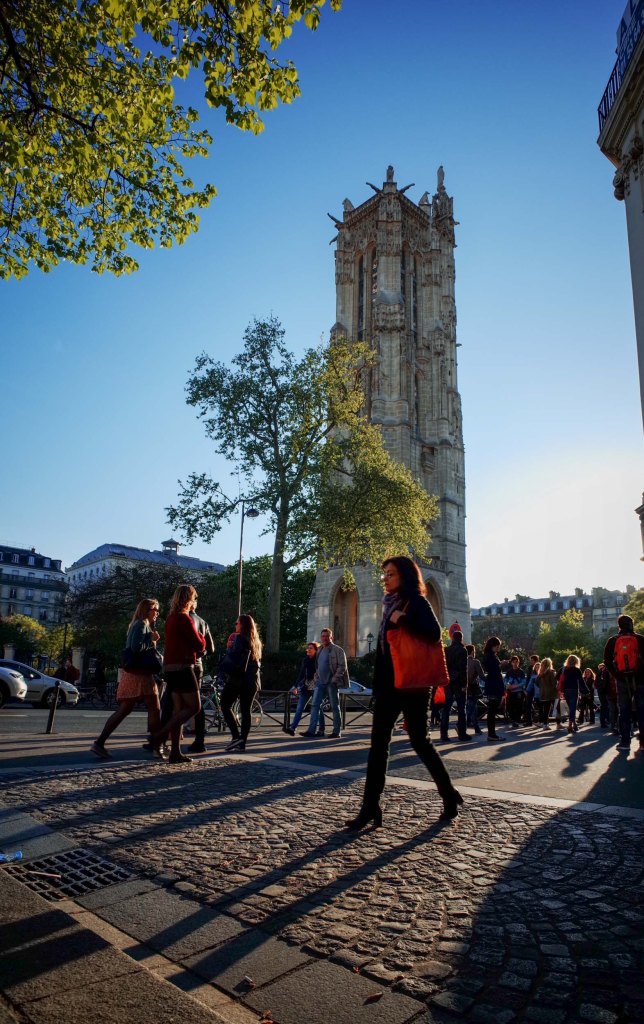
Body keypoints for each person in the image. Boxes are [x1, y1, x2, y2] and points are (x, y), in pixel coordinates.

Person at [345, 557, 462, 830]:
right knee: (378, 746)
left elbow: (434, 635)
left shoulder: (416, 603)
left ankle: (448, 795)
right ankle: (370, 806)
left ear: (405, 577)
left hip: (413, 686)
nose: (385, 579)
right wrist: (376, 686)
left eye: (391, 574)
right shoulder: (388, 607)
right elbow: (385, 654)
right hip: (389, 686)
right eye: (384, 574)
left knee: (420, 742)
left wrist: (404, 619)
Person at [92, 598, 162, 759]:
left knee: (126, 709)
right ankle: (156, 745)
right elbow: (135, 648)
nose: (157, 612)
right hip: (140, 675)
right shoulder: (141, 624)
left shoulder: (139, 624)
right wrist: (151, 640)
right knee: (154, 708)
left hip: (133, 674)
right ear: (146, 610)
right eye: (154, 609)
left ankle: (100, 742)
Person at [153, 584, 206, 764]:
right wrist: (203, 638)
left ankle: (175, 751)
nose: (195, 601)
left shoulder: (170, 618)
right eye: (194, 598)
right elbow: (198, 644)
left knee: (178, 709)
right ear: (188, 599)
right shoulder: (184, 619)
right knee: (194, 707)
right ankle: (161, 734)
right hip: (183, 666)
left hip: (170, 667)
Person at [220, 614, 262, 752]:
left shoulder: (239, 638)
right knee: (246, 711)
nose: (235, 625)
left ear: (242, 625)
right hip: (252, 681)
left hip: (238, 679)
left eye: (236, 623)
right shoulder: (255, 641)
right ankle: (242, 742)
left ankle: (236, 737)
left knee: (225, 705)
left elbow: (234, 658)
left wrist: (229, 648)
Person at [603, 614, 644, 753]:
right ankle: (643, 743)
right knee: (642, 710)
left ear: (619, 625)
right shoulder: (640, 639)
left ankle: (625, 741)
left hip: (622, 681)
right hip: (640, 680)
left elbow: (607, 661)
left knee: (624, 711)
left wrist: (617, 676)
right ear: (632, 624)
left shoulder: (613, 640)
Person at [301, 628, 348, 739]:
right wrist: (316, 677)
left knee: (335, 707)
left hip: (331, 683)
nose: (324, 638)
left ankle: (337, 732)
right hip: (320, 683)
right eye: (323, 636)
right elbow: (317, 666)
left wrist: (334, 679)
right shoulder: (320, 650)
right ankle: (312, 731)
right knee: (315, 705)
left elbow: (343, 666)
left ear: (331, 637)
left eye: (327, 636)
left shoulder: (338, 650)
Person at [185, 601, 215, 753]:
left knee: (174, 701)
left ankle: (161, 736)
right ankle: (199, 739)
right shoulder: (203, 622)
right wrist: (200, 654)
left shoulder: (184, 619)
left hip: (185, 664)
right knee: (196, 703)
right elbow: (211, 648)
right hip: (199, 665)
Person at [441, 630, 471, 742]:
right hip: (459, 682)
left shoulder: (446, 650)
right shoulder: (463, 650)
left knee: (446, 708)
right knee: (461, 708)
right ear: (461, 638)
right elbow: (463, 669)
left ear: (453, 639)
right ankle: (462, 734)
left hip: (448, 682)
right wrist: (464, 684)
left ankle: (444, 734)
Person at [285, 642, 319, 736]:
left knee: (317, 708)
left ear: (316, 650)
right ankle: (292, 728)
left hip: (316, 686)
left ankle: (320, 729)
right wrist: (295, 686)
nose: (308, 649)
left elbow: (316, 672)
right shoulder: (305, 660)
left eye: (311, 648)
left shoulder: (318, 660)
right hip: (306, 686)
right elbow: (301, 674)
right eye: (308, 648)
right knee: (299, 708)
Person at [481, 637, 506, 742]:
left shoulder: (488, 656)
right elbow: (495, 671)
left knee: (491, 710)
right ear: (493, 645)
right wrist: (501, 664)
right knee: (492, 711)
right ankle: (492, 734)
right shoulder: (491, 657)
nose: (498, 649)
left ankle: (492, 733)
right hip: (494, 685)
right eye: (497, 646)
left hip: (491, 685)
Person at [560, 654, 583, 735]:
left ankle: (574, 724)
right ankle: (570, 726)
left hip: (566, 690)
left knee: (571, 708)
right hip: (574, 689)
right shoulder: (577, 670)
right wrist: (586, 691)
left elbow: (559, 678)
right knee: (573, 708)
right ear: (576, 661)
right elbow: (581, 681)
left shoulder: (565, 669)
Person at [465, 643, 484, 735]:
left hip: (464, 687)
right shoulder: (476, 662)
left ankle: (467, 723)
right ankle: (476, 727)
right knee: (473, 707)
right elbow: (482, 676)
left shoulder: (463, 661)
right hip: (473, 687)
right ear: (472, 652)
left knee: (468, 706)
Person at [504, 656, 526, 728]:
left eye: (516, 662)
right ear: (511, 663)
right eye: (513, 662)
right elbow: (505, 680)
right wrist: (507, 685)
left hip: (518, 692)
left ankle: (517, 720)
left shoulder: (521, 672)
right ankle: (513, 720)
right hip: (510, 692)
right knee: (510, 706)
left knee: (519, 706)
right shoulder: (509, 672)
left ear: (518, 662)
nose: (515, 663)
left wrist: (516, 686)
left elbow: (523, 682)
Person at [536, 657, 557, 728]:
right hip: (550, 693)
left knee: (543, 709)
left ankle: (542, 722)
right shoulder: (551, 672)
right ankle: (545, 724)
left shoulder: (540, 673)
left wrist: (541, 687)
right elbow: (554, 684)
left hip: (542, 693)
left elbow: (536, 682)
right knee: (547, 709)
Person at [524, 659, 540, 726]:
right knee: (528, 705)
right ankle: (529, 721)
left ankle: (540, 721)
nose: (537, 669)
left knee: (539, 707)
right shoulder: (533, 675)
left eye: (538, 667)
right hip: (532, 691)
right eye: (536, 667)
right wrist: (527, 691)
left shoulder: (541, 675)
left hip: (539, 693)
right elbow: (530, 684)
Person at [596, 662, 611, 728]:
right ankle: (606, 721)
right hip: (605, 691)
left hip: (600, 691)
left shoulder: (599, 672)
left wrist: (599, 688)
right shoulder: (606, 672)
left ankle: (603, 722)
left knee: (603, 706)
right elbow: (607, 681)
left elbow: (596, 683)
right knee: (606, 706)